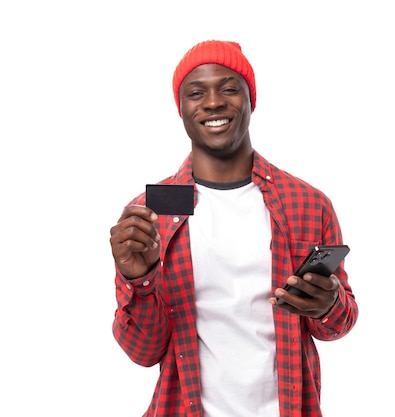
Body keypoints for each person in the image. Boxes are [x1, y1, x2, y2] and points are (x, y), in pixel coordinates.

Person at [109, 40, 358, 417]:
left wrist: (327, 305)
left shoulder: (307, 203)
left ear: (250, 100)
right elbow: (144, 352)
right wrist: (138, 279)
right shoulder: (149, 213)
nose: (212, 103)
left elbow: (337, 326)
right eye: (196, 92)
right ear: (180, 109)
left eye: (228, 88)